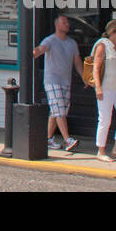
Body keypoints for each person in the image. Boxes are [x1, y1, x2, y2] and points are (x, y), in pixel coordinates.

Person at [33, 14, 80, 152]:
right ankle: (67, 140)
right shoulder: (50, 40)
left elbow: (77, 61)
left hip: (66, 81)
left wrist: (85, 77)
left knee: (57, 110)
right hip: (52, 80)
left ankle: (47, 139)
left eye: (67, 22)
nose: (67, 24)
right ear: (56, 25)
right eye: (64, 22)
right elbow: (41, 49)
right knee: (59, 110)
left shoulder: (72, 43)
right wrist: (34, 52)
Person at [92, 20, 116, 163]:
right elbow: (96, 68)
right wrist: (98, 87)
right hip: (106, 87)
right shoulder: (103, 46)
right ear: (113, 32)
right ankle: (101, 150)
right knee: (105, 119)